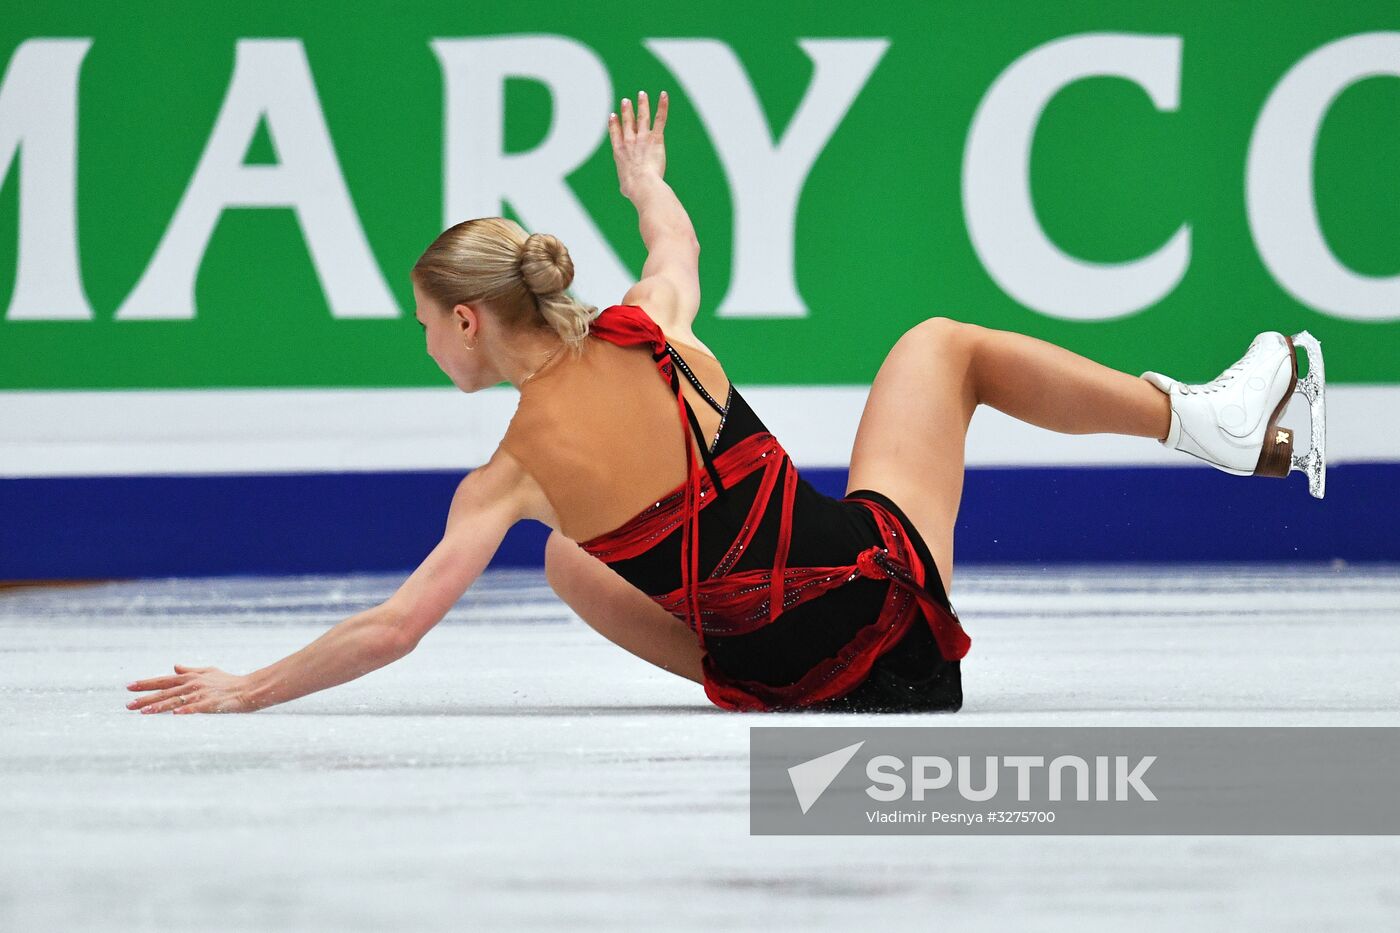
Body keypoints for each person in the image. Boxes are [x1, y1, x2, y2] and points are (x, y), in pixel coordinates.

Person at [126, 90, 1325, 716]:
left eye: (422, 322)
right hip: (903, 638)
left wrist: (252, 683)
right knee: (939, 346)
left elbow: (395, 629)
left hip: (806, 682)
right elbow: (674, 238)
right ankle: (1195, 421)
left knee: (561, 561)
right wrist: (645, 182)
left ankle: (771, 654)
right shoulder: (657, 331)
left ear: (466, 321)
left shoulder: (507, 479)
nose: (423, 342)